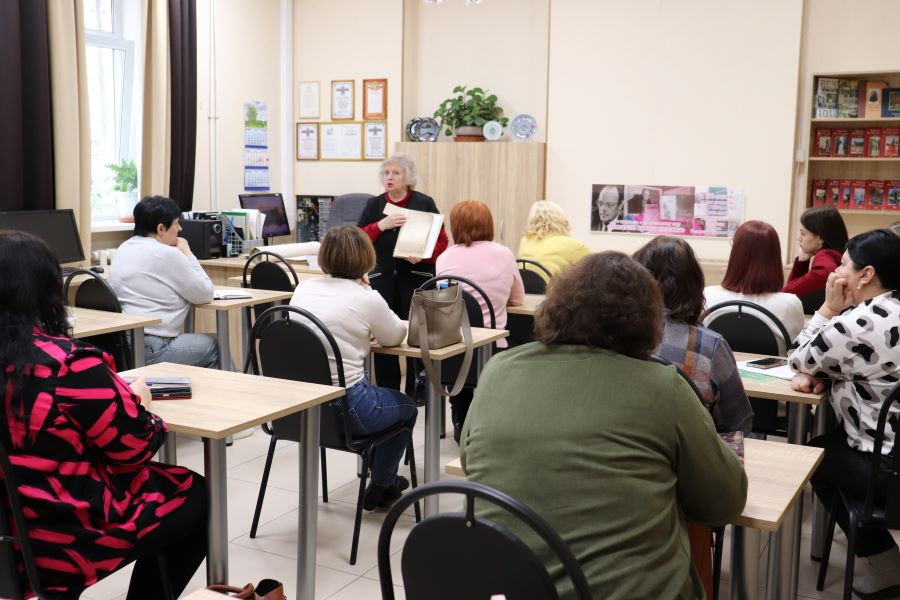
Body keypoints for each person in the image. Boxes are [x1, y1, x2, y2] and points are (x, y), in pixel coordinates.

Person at [461, 252, 747, 599]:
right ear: (648, 322)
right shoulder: (663, 388)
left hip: (506, 588)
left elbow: (469, 460)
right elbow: (725, 502)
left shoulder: (498, 370)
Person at [0, 231, 207, 599]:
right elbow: (134, 449)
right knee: (194, 494)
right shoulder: (70, 364)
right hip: (61, 543)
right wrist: (138, 401)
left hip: (8, 537)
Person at [788, 229, 900, 598]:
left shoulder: (861, 323)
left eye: (843, 265)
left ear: (866, 275)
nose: (836, 273)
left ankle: (886, 564)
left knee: (816, 456)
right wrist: (831, 376)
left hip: (888, 470)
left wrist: (829, 310)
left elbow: (799, 357)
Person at [289, 225, 418, 509]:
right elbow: (395, 335)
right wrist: (368, 297)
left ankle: (383, 481)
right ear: (366, 258)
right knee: (406, 408)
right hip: (347, 411)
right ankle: (382, 484)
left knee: (375, 395)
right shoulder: (365, 296)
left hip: (300, 408)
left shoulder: (303, 289)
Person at [634, 236, 754, 434]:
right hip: (688, 448)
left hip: (624, 446)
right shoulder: (710, 346)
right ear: (694, 286)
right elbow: (740, 422)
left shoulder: (613, 339)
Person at [357, 154, 449, 393]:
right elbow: (357, 239)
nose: (389, 177)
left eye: (396, 173)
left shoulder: (424, 203)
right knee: (384, 338)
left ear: (408, 178)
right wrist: (381, 225)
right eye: (386, 173)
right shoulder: (375, 205)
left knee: (417, 338)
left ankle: (417, 390)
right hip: (382, 281)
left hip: (417, 279)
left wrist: (424, 255)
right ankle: (387, 391)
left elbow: (442, 241)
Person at [436, 200, 525, 441]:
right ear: (489, 224)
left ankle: (460, 419)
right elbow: (518, 300)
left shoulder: (444, 258)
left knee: (463, 353)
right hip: (493, 350)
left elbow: (443, 301)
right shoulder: (504, 254)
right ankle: (492, 418)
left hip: (454, 349)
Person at [109, 196, 217, 368]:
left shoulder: (124, 248)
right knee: (215, 345)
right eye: (176, 223)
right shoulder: (168, 254)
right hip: (152, 348)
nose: (180, 229)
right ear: (161, 228)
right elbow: (205, 293)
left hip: (121, 345)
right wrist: (187, 252)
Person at [705, 220, 805, 342]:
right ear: (775, 256)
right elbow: (796, 347)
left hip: (718, 355)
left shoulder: (707, 295)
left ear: (736, 255)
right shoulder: (789, 304)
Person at [783, 205, 848, 298]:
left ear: (820, 238)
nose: (799, 238)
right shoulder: (837, 255)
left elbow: (787, 294)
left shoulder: (824, 258)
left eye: (803, 234)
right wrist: (802, 260)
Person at [516, 200, 590, 281]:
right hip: (554, 288)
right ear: (561, 219)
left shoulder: (525, 241)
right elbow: (596, 268)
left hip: (525, 287)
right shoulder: (573, 245)